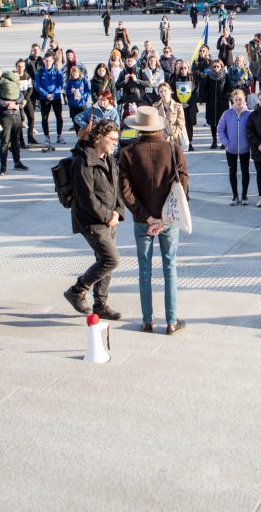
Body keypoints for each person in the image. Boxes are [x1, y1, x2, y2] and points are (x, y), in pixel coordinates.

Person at [119, 107, 189, 335]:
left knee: (144, 270)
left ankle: (147, 320)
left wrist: (147, 217)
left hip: (142, 221)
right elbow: (183, 187)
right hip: (168, 220)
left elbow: (125, 191)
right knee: (170, 268)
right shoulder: (173, 149)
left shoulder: (128, 152)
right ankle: (170, 321)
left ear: (138, 128)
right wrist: (164, 218)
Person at [64, 119, 125, 321]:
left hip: (110, 218)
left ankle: (100, 304)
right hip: (91, 221)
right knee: (111, 259)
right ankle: (76, 290)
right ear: (100, 138)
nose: (116, 143)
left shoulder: (109, 159)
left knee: (106, 260)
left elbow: (117, 188)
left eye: (117, 139)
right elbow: (86, 198)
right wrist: (108, 216)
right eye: (113, 139)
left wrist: (117, 211)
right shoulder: (83, 162)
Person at [0, 66, 29, 175]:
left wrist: (15, 103)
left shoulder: (9, 83)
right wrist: (8, 104)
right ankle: (3, 166)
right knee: (5, 142)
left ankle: (17, 162)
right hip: (4, 116)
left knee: (16, 140)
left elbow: (20, 95)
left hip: (16, 115)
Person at [218, 90, 252, 205]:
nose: (238, 102)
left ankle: (244, 195)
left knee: (245, 171)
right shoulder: (227, 114)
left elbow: (253, 130)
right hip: (230, 149)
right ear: (233, 100)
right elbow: (221, 128)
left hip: (245, 149)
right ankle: (235, 195)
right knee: (232, 171)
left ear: (244, 100)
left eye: (240, 99)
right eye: (236, 99)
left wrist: (250, 143)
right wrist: (225, 142)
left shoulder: (249, 114)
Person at [201, 59, 231, 149]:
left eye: (218, 66)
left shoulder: (225, 76)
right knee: (213, 123)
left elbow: (229, 89)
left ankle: (223, 141)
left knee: (223, 123)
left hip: (222, 103)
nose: (216, 68)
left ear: (221, 66)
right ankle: (214, 141)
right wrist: (207, 97)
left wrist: (226, 97)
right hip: (211, 103)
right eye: (214, 66)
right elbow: (204, 88)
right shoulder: (208, 76)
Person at [36, 53, 65, 144]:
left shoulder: (57, 71)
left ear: (53, 61)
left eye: (49, 60)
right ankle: (47, 137)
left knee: (59, 117)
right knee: (44, 118)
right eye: (46, 60)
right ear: (44, 60)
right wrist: (46, 94)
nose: (48, 62)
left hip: (56, 98)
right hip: (44, 98)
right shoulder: (39, 72)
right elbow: (38, 86)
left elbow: (60, 84)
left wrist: (54, 94)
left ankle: (59, 136)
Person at [169, 59, 197, 150]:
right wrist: (179, 103)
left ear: (188, 68)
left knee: (189, 125)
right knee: (179, 124)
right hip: (178, 106)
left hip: (189, 106)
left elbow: (196, 92)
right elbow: (172, 93)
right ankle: (179, 143)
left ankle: (190, 143)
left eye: (185, 68)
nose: (183, 70)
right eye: (181, 68)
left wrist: (188, 103)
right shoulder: (174, 79)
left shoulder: (192, 78)